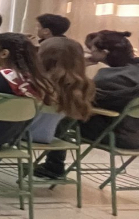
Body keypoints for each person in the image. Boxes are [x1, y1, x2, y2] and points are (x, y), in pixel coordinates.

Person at [36, 31, 139, 178]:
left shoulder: (109, 78)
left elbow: (83, 100)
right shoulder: (133, 71)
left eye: (92, 48)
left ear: (104, 52)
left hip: (116, 135)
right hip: (133, 134)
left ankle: (54, 166)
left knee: (64, 112)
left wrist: (76, 67)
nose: (88, 51)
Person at [29, 37, 96, 177]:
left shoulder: (34, 82)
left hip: (20, 133)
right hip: (49, 136)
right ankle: (55, 165)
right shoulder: (82, 87)